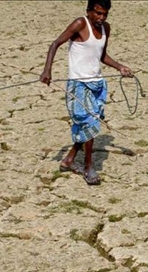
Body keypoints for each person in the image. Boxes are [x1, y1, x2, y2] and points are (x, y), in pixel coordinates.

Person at [40, 0, 133, 185]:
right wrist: (47, 70)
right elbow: (55, 44)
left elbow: (102, 55)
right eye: (98, 13)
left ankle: (69, 159)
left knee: (90, 126)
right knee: (90, 124)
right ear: (89, 11)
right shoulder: (80, 24)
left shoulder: (106, 27)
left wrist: (119, 67)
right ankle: (89, 167)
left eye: (105, 14)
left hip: (97, 84)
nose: (101, 17)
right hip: (79, 85)